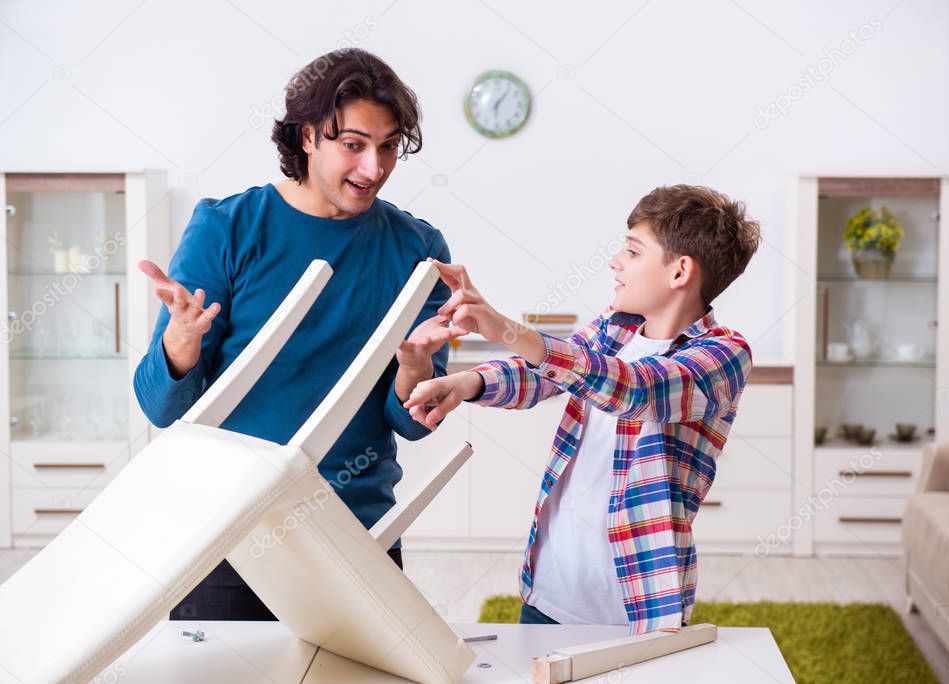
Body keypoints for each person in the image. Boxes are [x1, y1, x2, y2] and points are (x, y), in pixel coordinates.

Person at [133, 49, 456, 620]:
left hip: (358, 533)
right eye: (353, 144)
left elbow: (411, 422)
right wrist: (182, 343)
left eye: (388, 147)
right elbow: (162, 407)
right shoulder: (227, 228)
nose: (373, 168)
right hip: (228, 539)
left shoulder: (419, 249)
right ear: (308, 137)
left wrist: (415, 370)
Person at [404, 184, 761, 634]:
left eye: (632, 251)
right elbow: (547, 372)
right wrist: (468, 382)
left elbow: (636, 391)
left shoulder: (724, 355)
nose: (615, 261)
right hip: (547, 592)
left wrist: (505, 328)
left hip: (638, 611)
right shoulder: (616, 330)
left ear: (679, 272)